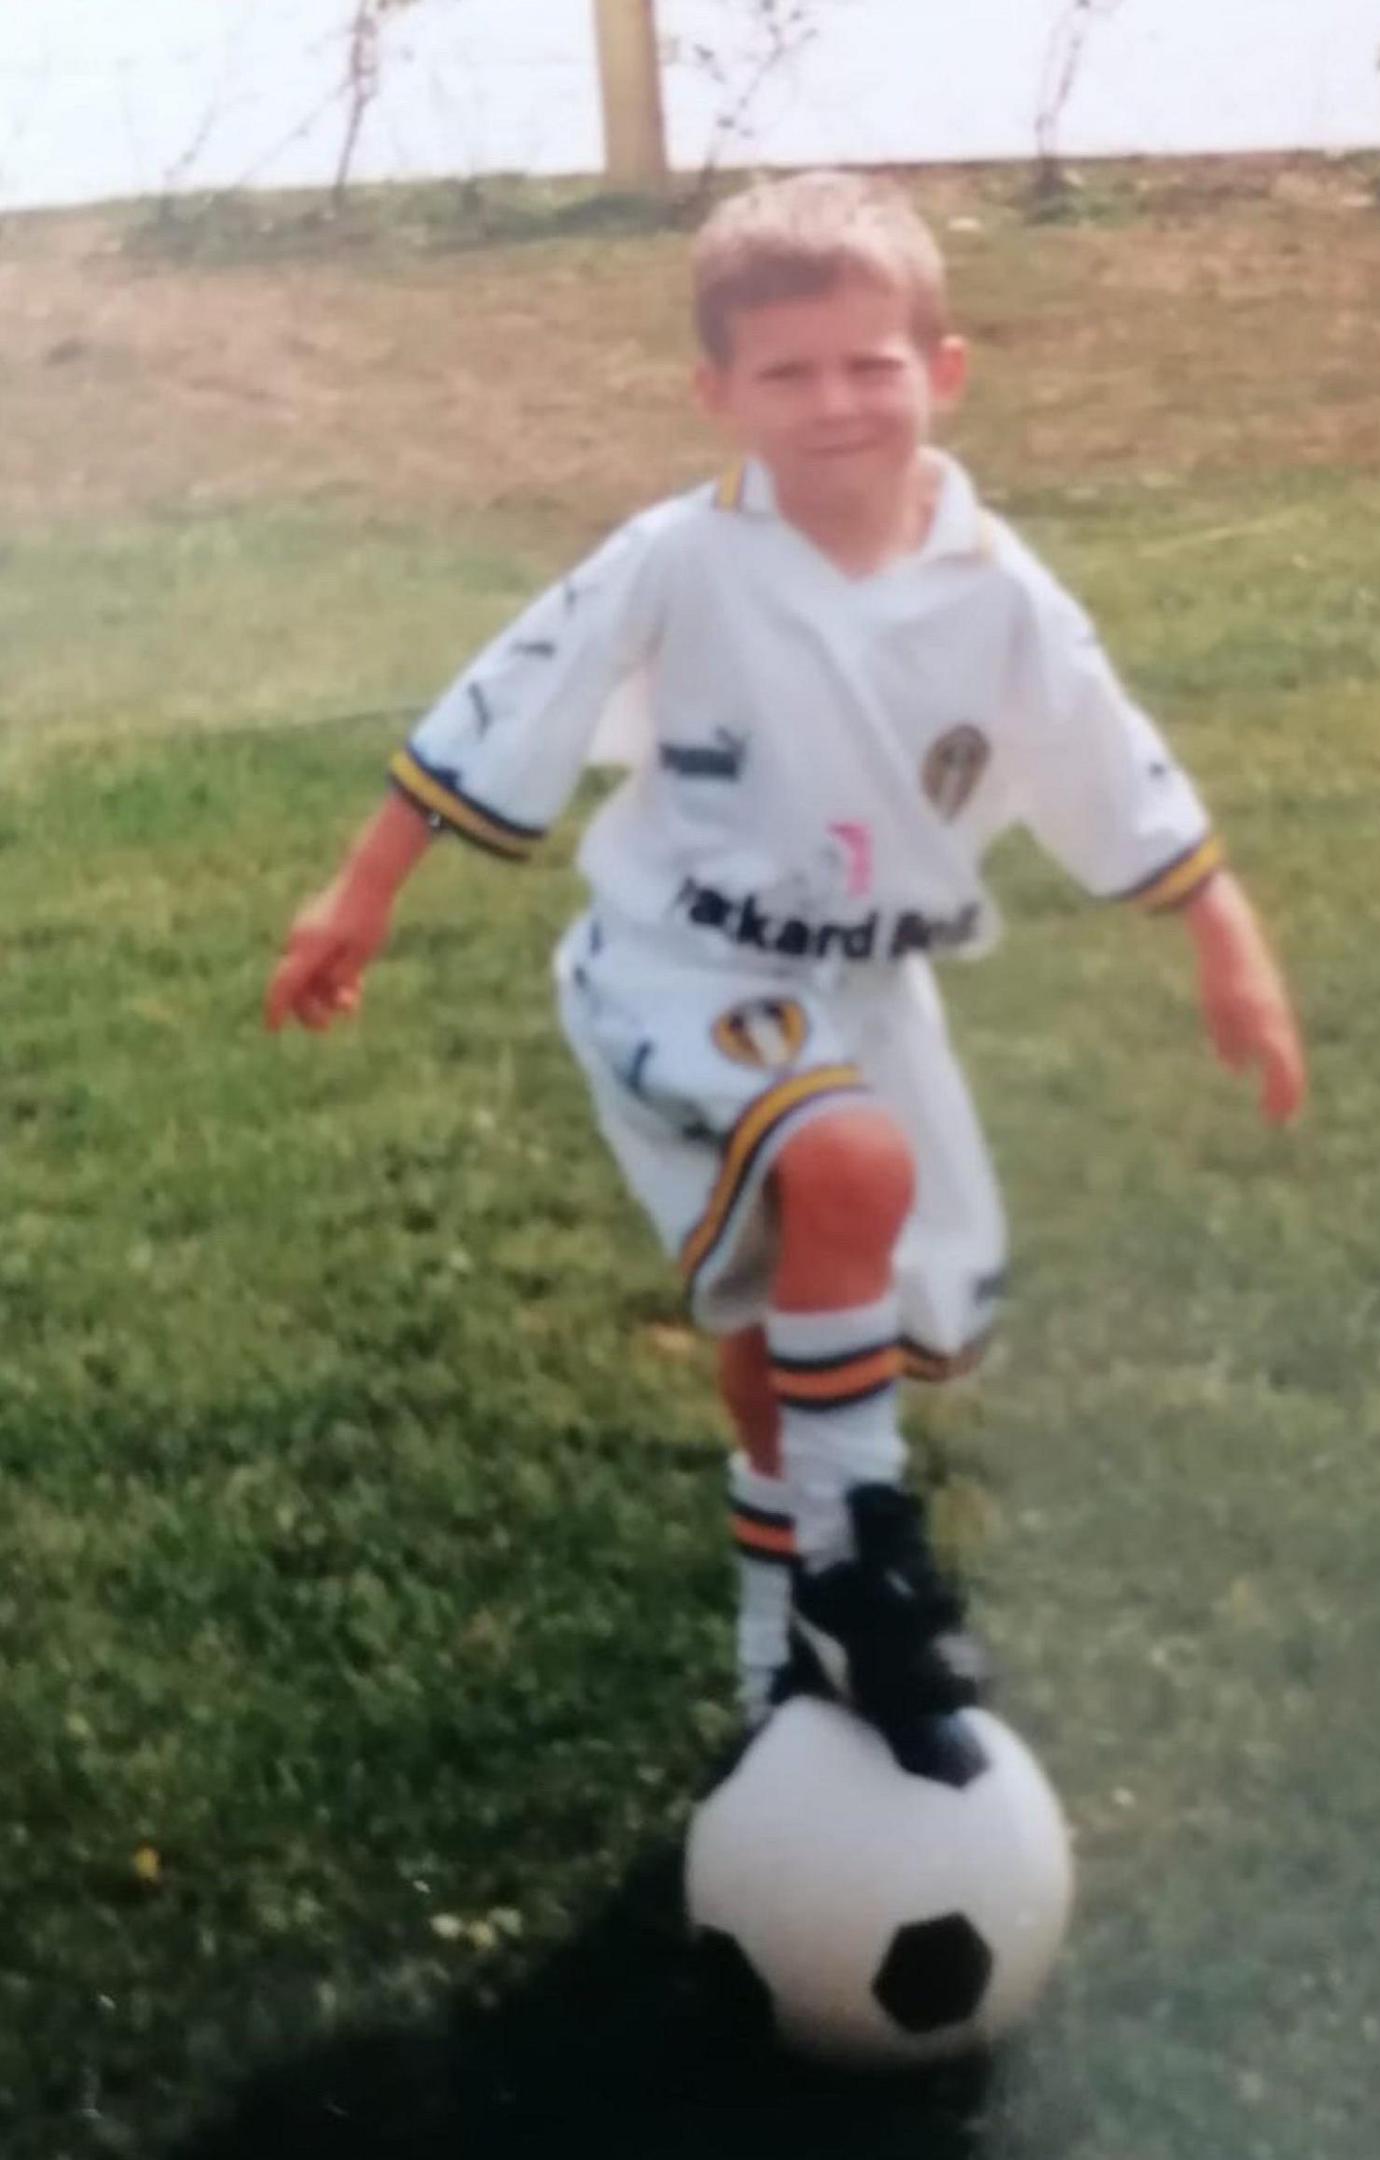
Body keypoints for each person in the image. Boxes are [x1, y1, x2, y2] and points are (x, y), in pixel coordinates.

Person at [263, 171, 1307, 1776]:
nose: (834, 404)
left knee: (799, 1336)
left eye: (871, 364)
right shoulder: (680, 558)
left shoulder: (994, 586)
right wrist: (359, 892)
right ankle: (857, 1562)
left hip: (871, 995)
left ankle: (780, 1661)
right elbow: (508, 698)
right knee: (847, 1165)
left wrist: (1223, 936)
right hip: (677, 967)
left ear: (942, 371)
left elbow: (1113, 757)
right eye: (786, 374)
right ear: (717, 395)